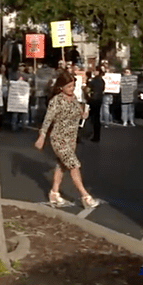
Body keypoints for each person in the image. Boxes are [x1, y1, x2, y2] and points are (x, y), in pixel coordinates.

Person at [34, 71, 99, 209]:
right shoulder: (56, 101)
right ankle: (85, 195)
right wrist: (42, 136)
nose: (72, 89)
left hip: (71, 139)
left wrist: (83, 114)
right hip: (59, 139)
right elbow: (48, 120)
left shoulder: (74, 98)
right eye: (69, 86)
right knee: (73, 165)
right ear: (61, 87)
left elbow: (77, 113)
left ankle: (54, 193)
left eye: (73, 85)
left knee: (61, 165)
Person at [86, 68, 104, 142]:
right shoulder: (102, 81)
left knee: (92, 118)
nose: (94, 72)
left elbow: (87, 90)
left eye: (95, 71)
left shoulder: (93, 81)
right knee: (97, 117)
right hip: (99, 99)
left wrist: (87, 95)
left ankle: (90, 133)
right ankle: (97, 136)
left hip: (93, 100)